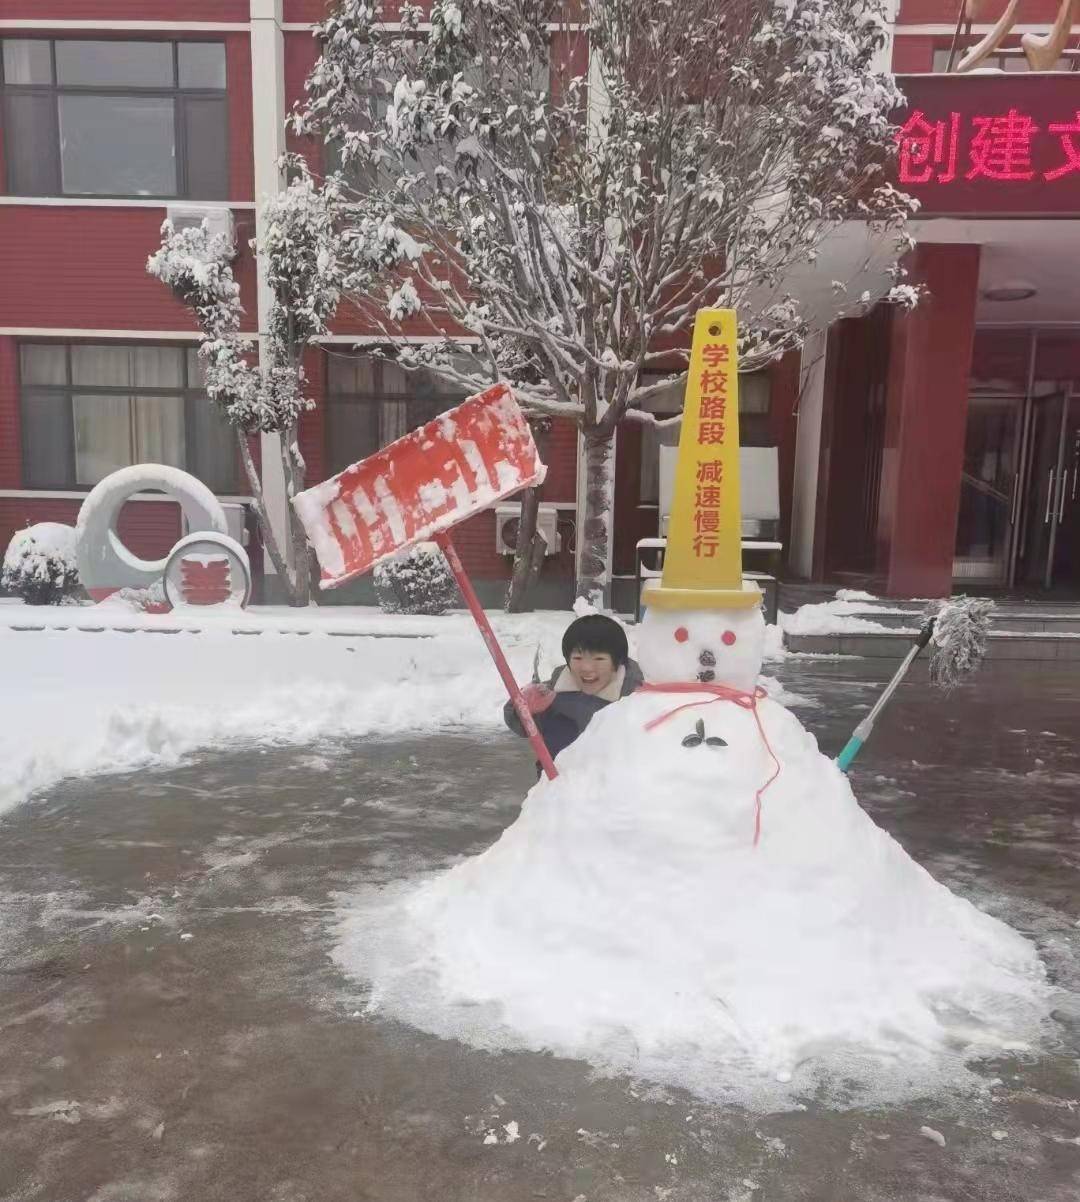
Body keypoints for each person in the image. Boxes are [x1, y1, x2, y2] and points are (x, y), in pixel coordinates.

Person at [504, 614, 643, 766]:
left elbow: (603, 725)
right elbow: (522, 726)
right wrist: (522, 707)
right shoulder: (557, 686)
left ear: (617, 662)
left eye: (599, 659)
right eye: (578, 658)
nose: (587, 668)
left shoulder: (637, 695)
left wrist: (559, 703)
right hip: (557, 785)